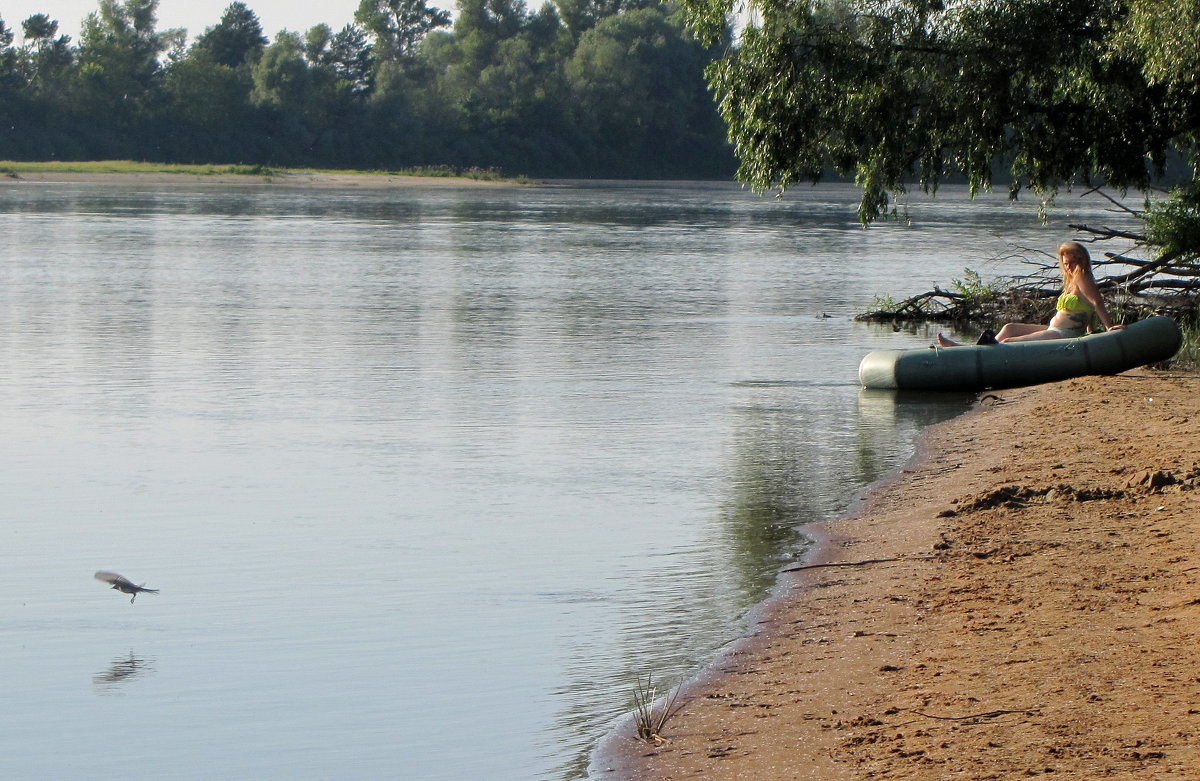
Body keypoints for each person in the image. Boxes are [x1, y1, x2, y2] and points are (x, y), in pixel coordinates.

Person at [936, 241, 1124, 347]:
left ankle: (966, 352)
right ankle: (971, 351)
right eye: (1066, 263)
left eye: (1072, 262)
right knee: (1009, 328)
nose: (1069, 267)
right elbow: (1088, 307)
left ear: (1081, 261)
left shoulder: (1082, 275)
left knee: (1009, 341)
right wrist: (1090, 330)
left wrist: (1108, 328)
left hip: (1064, 334)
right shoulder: (1074, 280)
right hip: (1054, 331)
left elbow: (1096, 302)